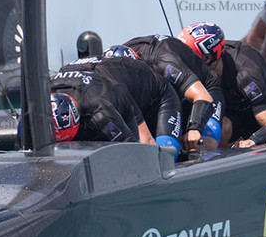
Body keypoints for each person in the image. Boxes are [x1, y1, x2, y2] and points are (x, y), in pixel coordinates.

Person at [50, 54, 182, 158]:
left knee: (148, 151)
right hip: (103, 88)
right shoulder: (41, 98)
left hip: (127, 99)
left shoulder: (101, 114)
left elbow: (133, 151)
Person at [124, 23, 225, 154]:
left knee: (205, 144)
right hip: (166, 88)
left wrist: (195, 129)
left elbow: (203, 96)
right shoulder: (120, 60)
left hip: (205, 90)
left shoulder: (164, 63)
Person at [219, 38, 266, 147]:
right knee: (219, 129)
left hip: (258, 107)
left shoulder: (246, 75)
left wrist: (254, 140)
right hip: (232, 110)